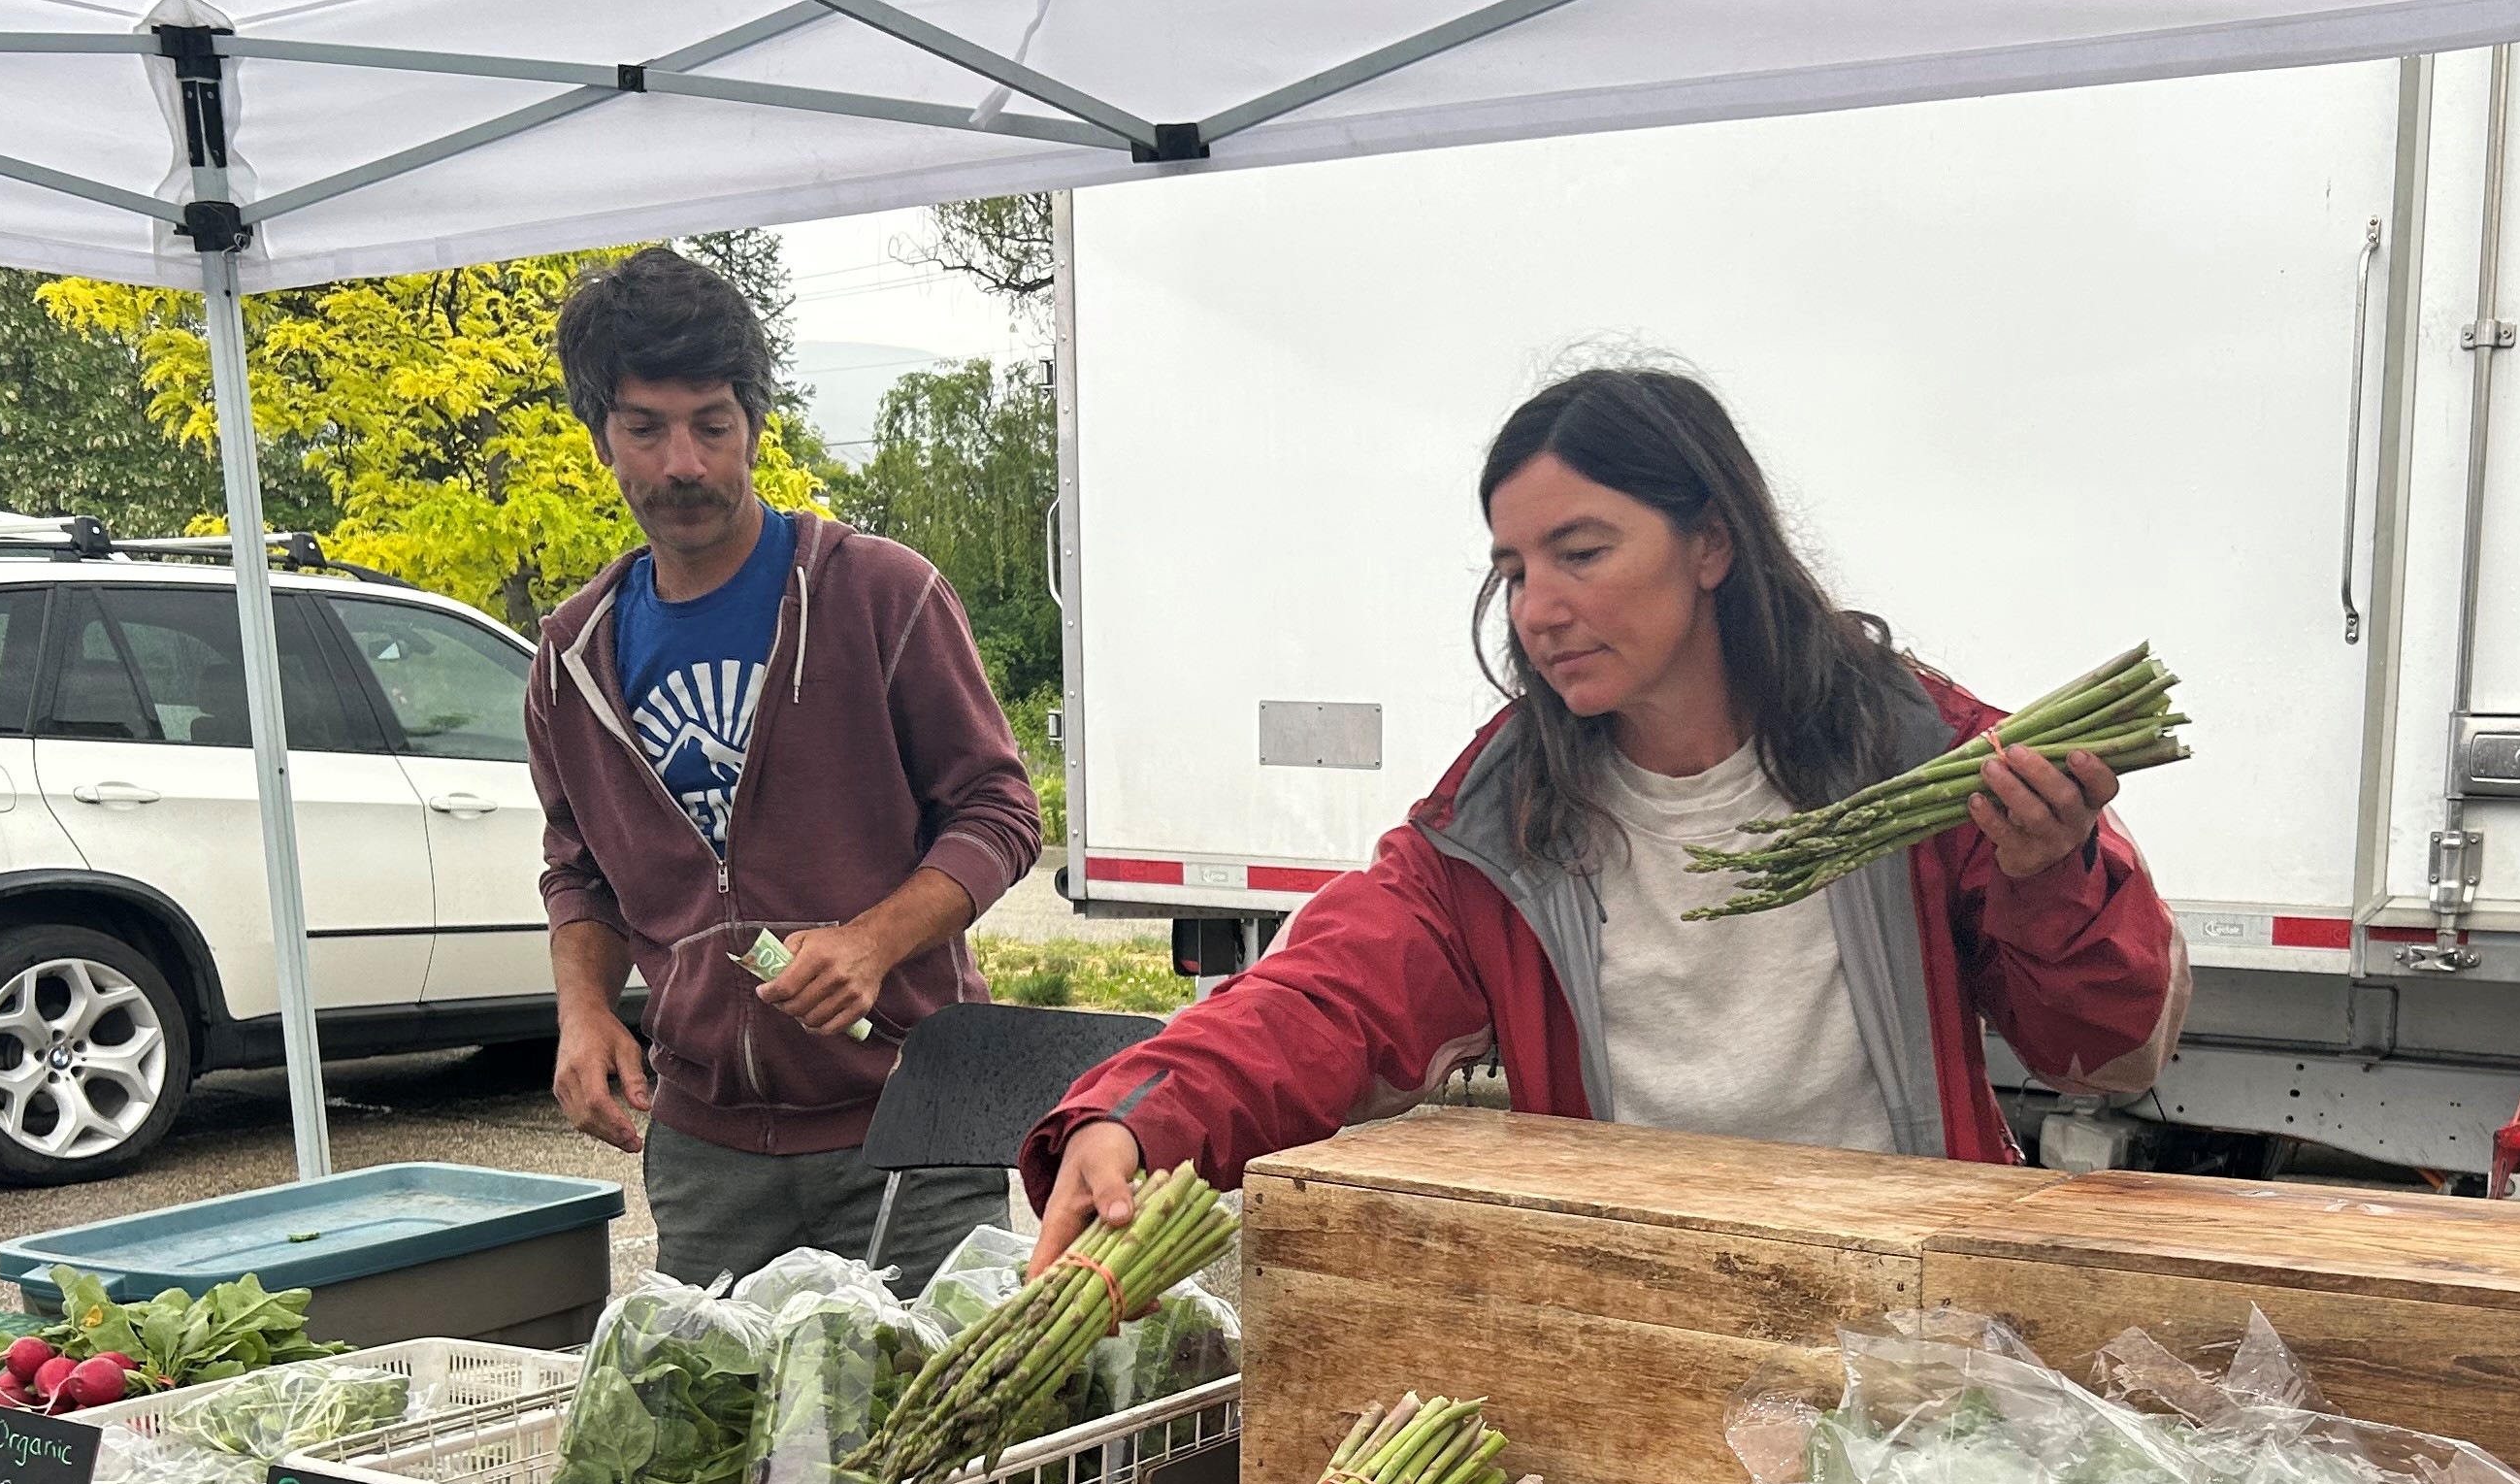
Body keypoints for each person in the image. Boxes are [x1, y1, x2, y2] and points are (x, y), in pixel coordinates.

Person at [1024, 366, 2185, 1267]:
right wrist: (1138, 1116)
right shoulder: (1502, 819)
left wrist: (2053, 878)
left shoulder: (1925, 754)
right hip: (1642, 1297)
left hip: (1915, 1299)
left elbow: (2111, 1049)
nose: (1540, 608)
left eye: (1581, 553)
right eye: (1517, 569)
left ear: (1713, 543)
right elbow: (1323, 995)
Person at [528, 245, 1042, 1291]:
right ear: (600, 439)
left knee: (934, 1441)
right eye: (646, 429)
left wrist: (869, 943)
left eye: (713, 426)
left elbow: (999, 812)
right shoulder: (572, 655)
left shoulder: (877, 595)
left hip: (915, 1122)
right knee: (718, 1445)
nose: (685, 464)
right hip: (709, 1152)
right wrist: (584, 1010)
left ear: (753, 426)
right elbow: (580, 867)